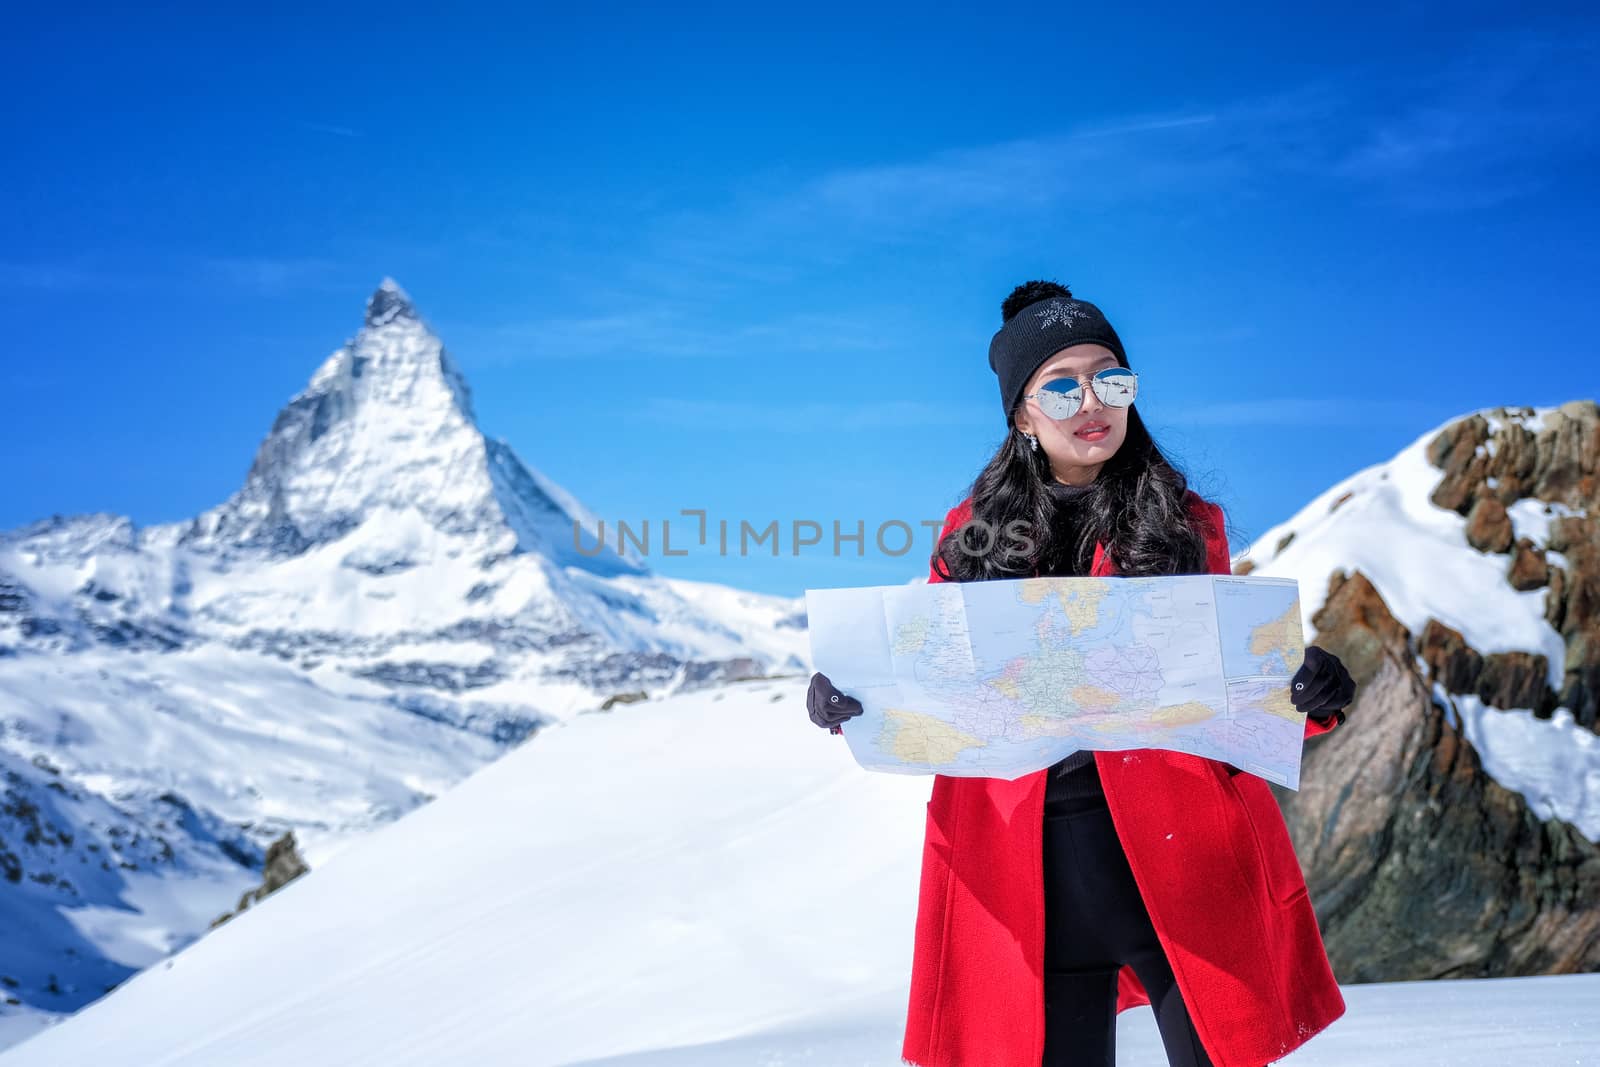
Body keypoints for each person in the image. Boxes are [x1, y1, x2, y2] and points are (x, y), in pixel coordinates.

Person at [806, 280, 1356, 1067]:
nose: (1092, 401)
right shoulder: (968, 542)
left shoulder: (1185, 524)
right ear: (1021, 414)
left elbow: (1228, 683)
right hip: (1027, 873)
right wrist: (843, 700)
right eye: (1062, 385)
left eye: (1112, 379)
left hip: (1181, 860)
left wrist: (1311, 693)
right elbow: (924, 687)